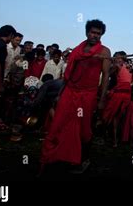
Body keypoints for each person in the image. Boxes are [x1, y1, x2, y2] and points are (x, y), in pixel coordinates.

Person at [40, 19, 111, 174]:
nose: (95, 36)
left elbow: (105, 76)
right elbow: (68, 75)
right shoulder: (77, 51)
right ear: (87, 32)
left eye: (98, 33)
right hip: (70, 91)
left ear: (101, 35)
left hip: (88, 94)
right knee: (58, 124)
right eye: (92, 32)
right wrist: (60, 94)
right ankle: (52, 157)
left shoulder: (104, 52)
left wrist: (102, 99)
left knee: (84, 129)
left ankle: (83, 160)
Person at [101, 51, 132, 147]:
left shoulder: (126, 67)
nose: (117, 60)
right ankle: (112, 140)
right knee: (111, 117)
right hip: (118, 93)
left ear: (123, 59)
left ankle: (115, 139)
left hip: (122, 94)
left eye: (119, 58)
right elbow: (107, 74)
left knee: (116, 118)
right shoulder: (119, 67)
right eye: (116, 58)